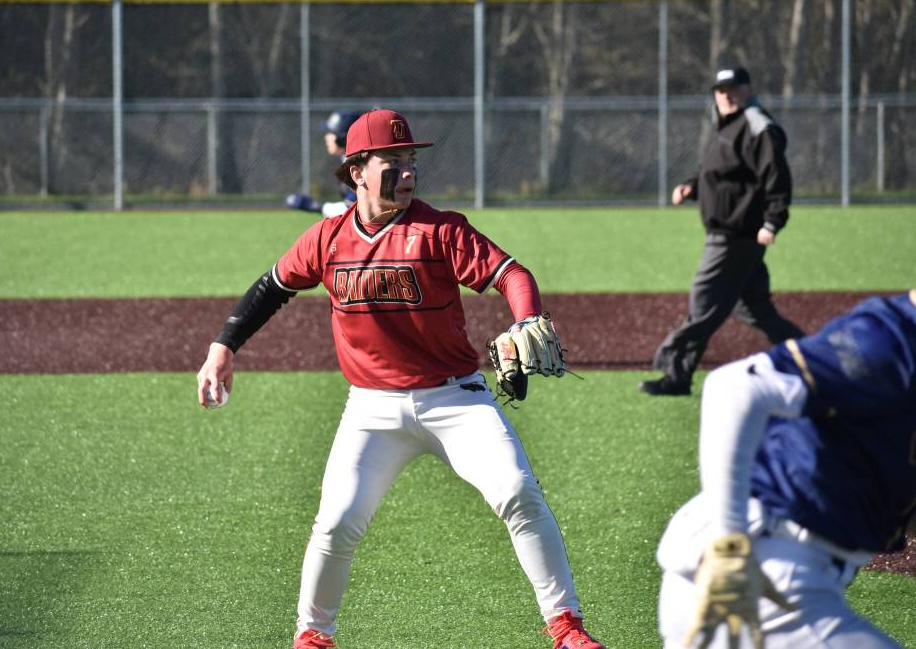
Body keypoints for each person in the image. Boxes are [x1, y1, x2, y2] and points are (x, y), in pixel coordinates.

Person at [197, 109, 605, 649]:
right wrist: (223, 345)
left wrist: (525, 317)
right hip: (371, 409)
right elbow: (272, 287)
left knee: (517, 491)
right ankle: (313, 637)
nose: (409, 172)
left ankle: (567, 629)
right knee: (337, 521)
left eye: (412, 160)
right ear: (357, 170)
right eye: (394, 161)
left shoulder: (440, 230)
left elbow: (512, 274)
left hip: (456, 399)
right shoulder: (327, 238)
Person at [656, 290, 916, 648]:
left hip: (763, 570)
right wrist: (729, 546)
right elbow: (734, 386)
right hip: (758, 571)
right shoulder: (893, 338)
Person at [640, 66, 805, 396]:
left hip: (736, 236)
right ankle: (811, 358)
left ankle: (672, 362)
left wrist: (773, 221)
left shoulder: (757, 126)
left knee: (702, 301)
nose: (725, 94)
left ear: (748, 88)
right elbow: (718, 174)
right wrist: (691, 186)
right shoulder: (726, 125)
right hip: (730, 234)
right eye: (720, 89)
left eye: (732, 87)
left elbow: (777, 177)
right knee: (754, 310)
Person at [285, 110, 363, 218]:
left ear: (342, 138)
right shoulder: (353, 160)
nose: (327, 137)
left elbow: (353, 210)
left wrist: (313, 205)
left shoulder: (359, 166)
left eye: (331, 133)